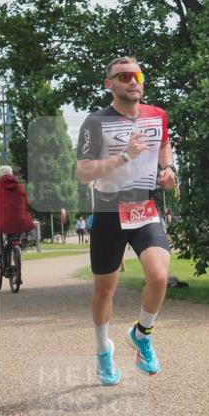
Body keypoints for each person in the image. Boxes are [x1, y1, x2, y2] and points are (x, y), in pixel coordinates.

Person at [76, 57, 178, 386]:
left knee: (160, 276)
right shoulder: (95, 122)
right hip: (108, 211)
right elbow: (83, 171)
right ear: (110, 84)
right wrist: (123, 157)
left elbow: (164, 144)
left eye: (136, 75)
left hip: (144, 207)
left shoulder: (157, 115)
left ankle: (142, 334)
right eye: (123, 77)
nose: (132, 81)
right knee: (105, 290)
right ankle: (103, 351)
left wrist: (168, 170)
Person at [0, 164, 36, 274]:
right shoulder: (20, 187)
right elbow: (26, 203)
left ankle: (2, 256)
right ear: (11, 174)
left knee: (1, 236)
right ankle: (16, 249)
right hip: (20, 221)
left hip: (2, 222)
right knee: (15, 238)